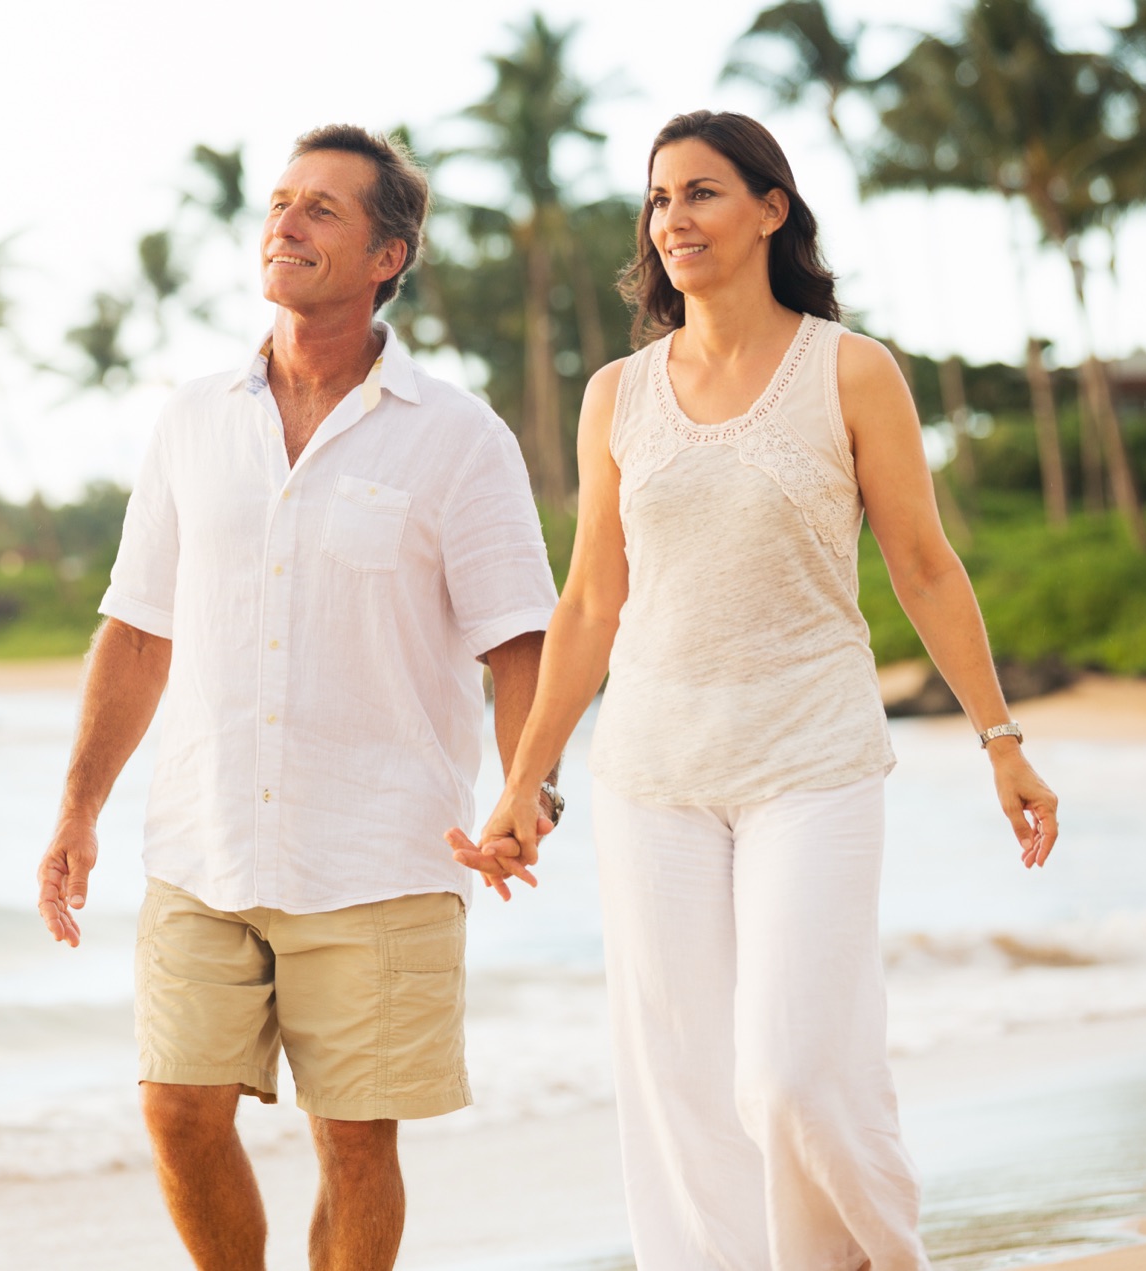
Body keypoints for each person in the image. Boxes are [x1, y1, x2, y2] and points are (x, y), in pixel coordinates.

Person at [448, 110, 1060, 1271]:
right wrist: (526, 778)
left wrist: (1001, 736)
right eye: (659, 197)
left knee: (791, 1073)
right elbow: (589, 602)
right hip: (652, 773)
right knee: (683, 1089)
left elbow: (925, 565)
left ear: (772, 208)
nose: (673, 218)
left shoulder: (850, 369)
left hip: (811, 757)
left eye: (703, 191)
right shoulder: (618, 393)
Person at [36, 124, 561, 1271]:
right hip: (203, 842)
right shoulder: (193, 418)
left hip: (381, 850)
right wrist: (79, 806)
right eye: (280, 201)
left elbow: (521, 639)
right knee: (176, 1109)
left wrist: (528, 787)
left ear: (387, 256)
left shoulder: (458, 437)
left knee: (356, 1142)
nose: (286, 221)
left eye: (323, 207)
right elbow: (137, 628)